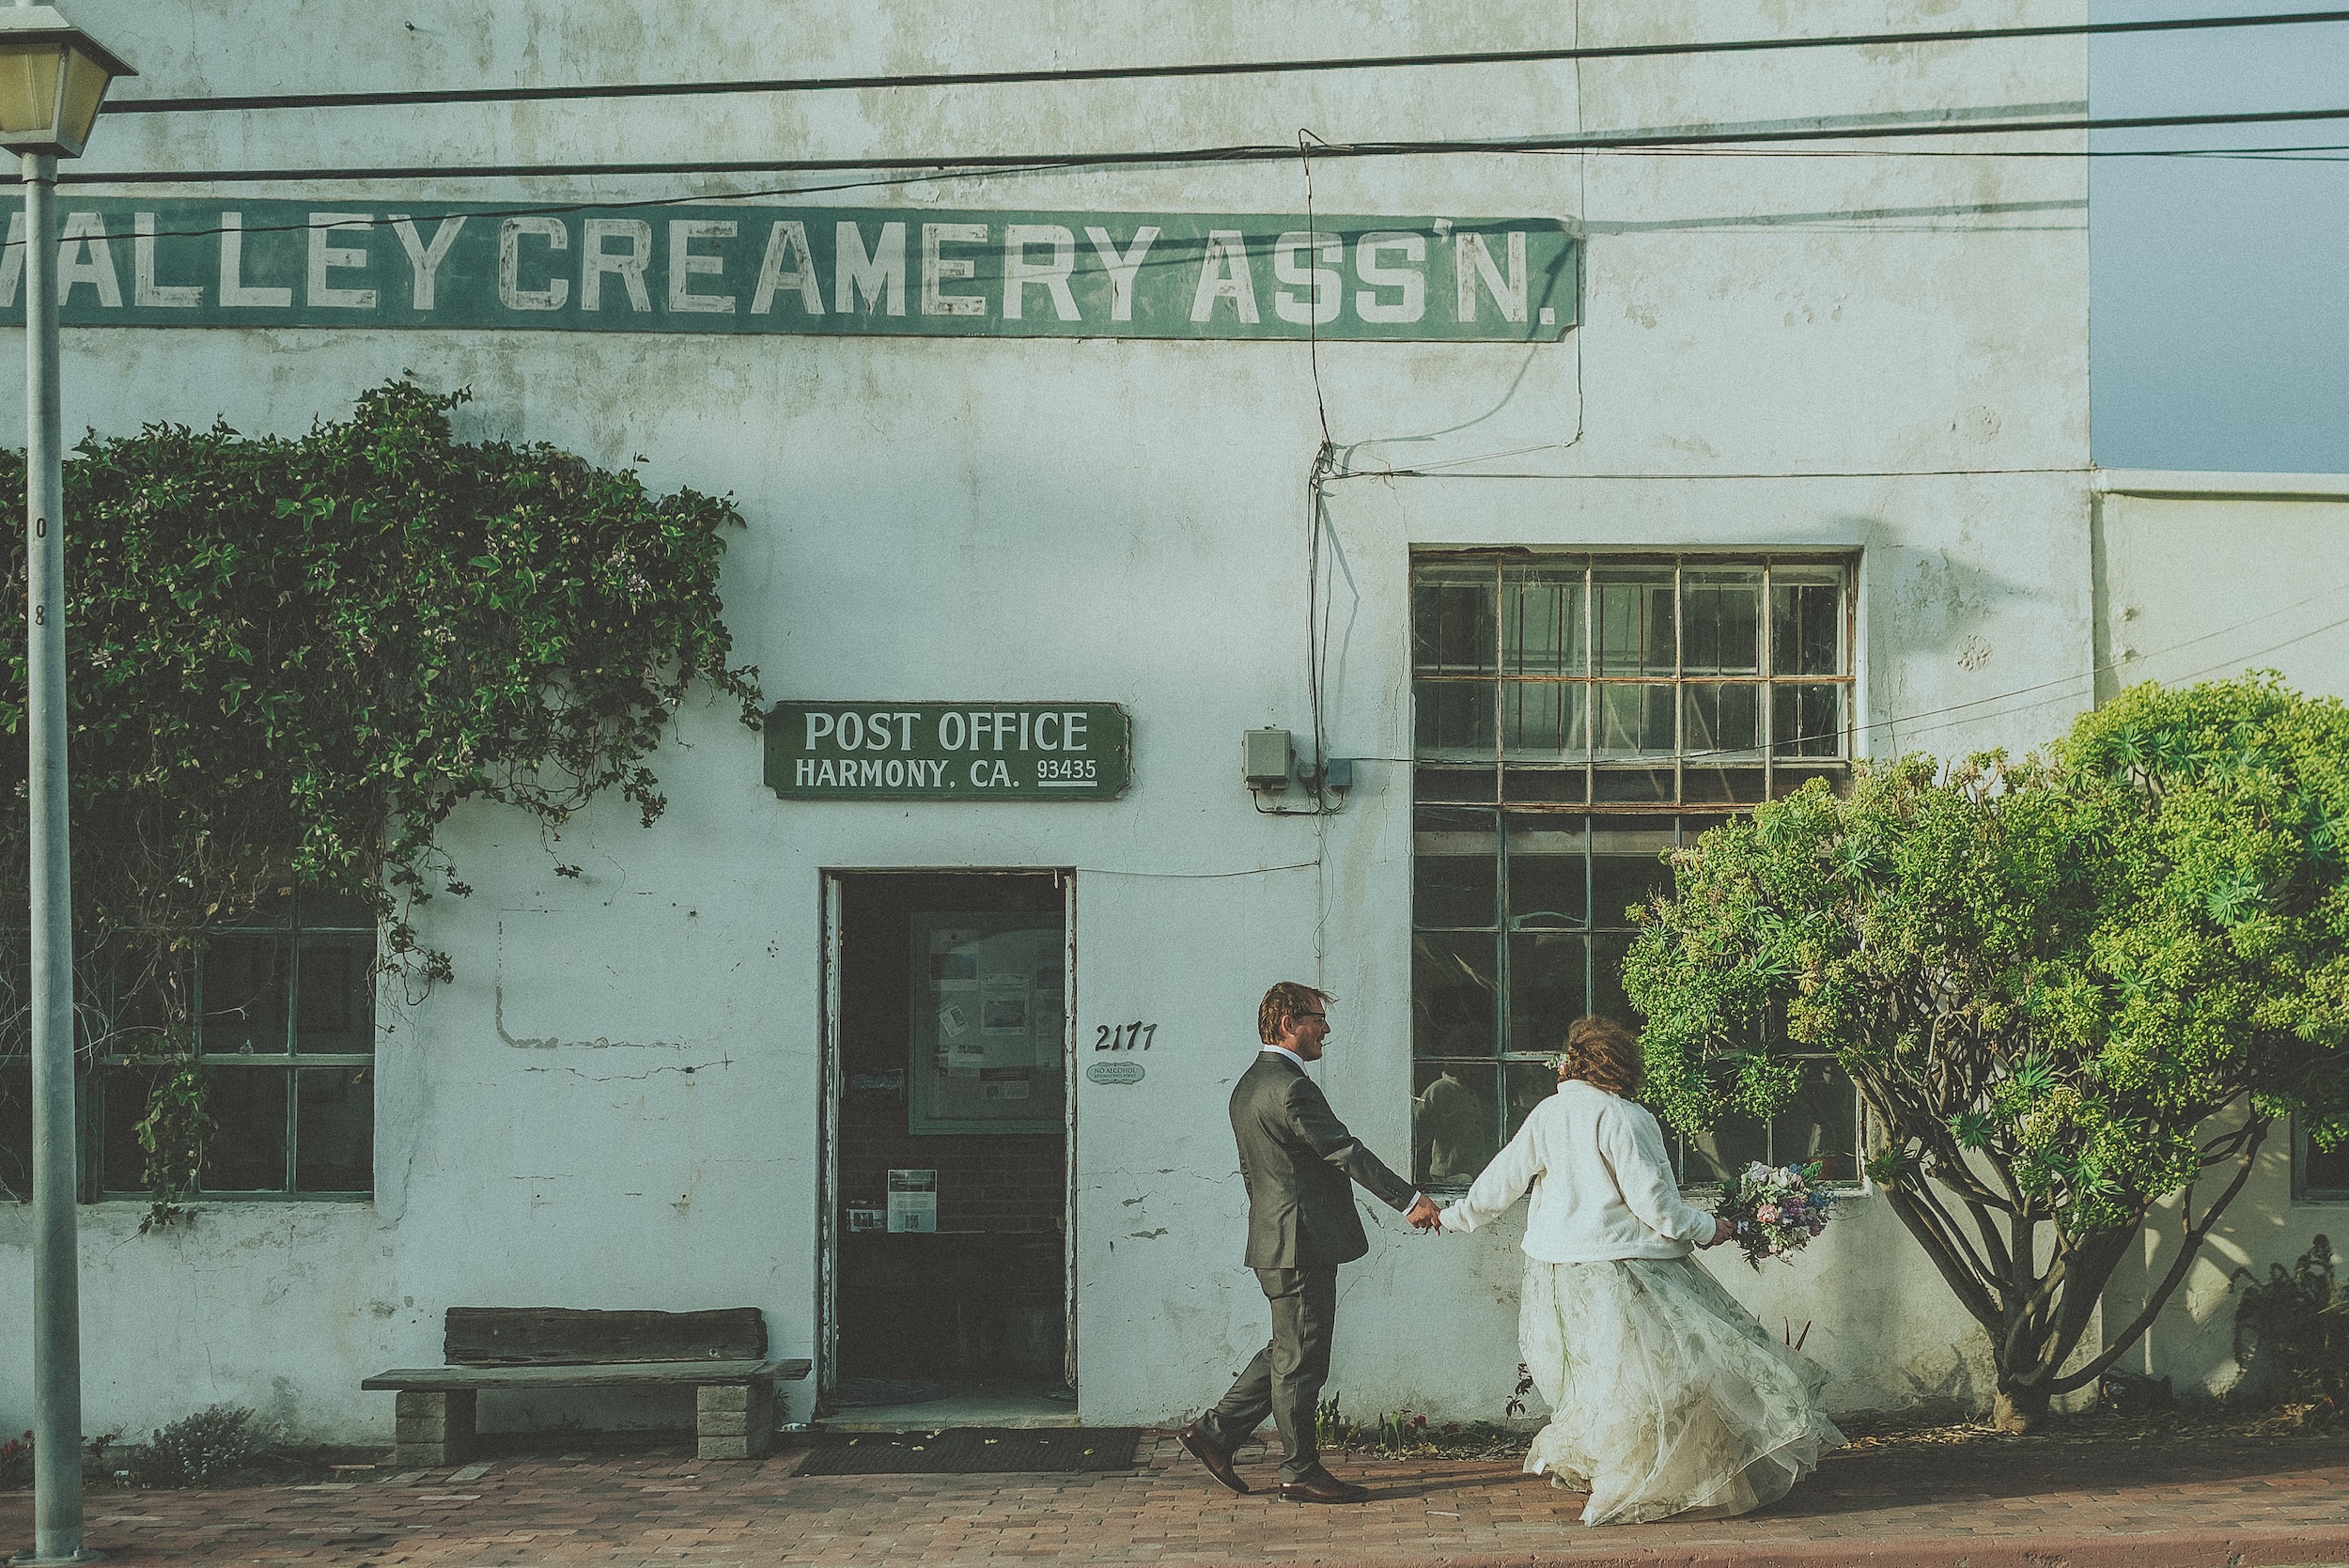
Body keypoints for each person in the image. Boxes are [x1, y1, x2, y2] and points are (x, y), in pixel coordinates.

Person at [1437, 1016, 1843, 1526]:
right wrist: (1711, 1227)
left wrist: (1452, 1218)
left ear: (1576, 1064)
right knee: (1666, 1380)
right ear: (1623, 1066)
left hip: (1559, 1273)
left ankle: (1615, 1476)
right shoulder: (1626, 1117)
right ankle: (1649, 1481)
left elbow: (1501, 1180)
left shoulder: (1549, 1113)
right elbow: (1658, 1208)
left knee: (1599, 1380)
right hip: (1626, 1271)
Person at [1177, 982, 1441, 1504]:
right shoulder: (1291, 1088)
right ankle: (1299, 1469)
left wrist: (1271, 1225)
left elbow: (1254, 1174)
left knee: (1288, 1348)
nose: (1325, 1028)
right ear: (1285, 1023)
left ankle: (1214, 1433)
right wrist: (1409, 1199)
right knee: (1302, 1360)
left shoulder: (1249, 1086)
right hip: (1302, 1242)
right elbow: (1343, 1150)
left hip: (1277, 1237)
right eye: (1316, 1019)